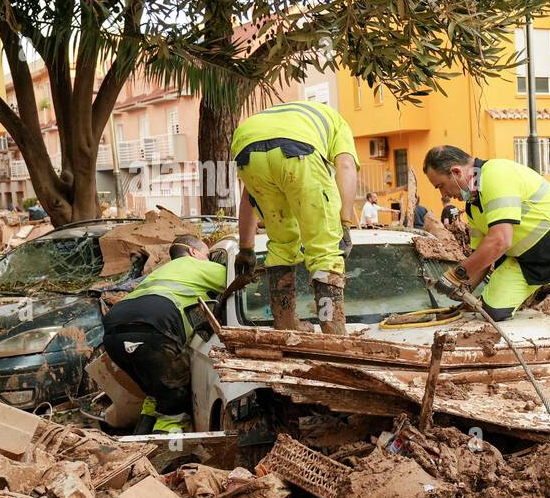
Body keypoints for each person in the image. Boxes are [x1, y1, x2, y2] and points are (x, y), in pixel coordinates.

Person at [231, 100, 361, 336]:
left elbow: (248, 196)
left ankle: (286, 325)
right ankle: (333, 332)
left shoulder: (273, 120)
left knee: (282, 245)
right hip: (299, 152)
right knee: (325, 250)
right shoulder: (336, 121)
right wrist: (344, 224)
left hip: (247, 150)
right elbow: (346, 164)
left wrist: (246, 248)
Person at [422, 145, 550, 321]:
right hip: (525, 264)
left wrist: (458, 275)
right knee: (492, 312)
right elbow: (482, 255)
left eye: (441, 186)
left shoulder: (496, 174)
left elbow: (500, 240)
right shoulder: (473, 206)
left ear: (456, 172)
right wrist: (464, 289)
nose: (444, 193)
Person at [101, 235, 226, 434]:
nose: (209, 261)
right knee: (174, 404)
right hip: (154, 329)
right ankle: (166, 458)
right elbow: (239, 276)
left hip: (114, 331)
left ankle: (138, 446)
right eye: (208, 255)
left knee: (157, 393)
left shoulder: (159, 273)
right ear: (193, 252)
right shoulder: (197, 266)